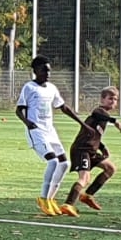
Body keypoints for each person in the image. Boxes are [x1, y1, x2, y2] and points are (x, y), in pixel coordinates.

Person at [15, 55, 84, 217]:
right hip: (37, 131)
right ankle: (43, 198)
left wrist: (81, 123)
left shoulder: (52, 88)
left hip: (50, 131)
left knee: (64, 163)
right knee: (53, 161)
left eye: (49, 70)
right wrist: (28, 123)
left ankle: (51, 199)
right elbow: (18, 110)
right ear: (35, 70)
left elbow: (63, 107)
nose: (48, 73)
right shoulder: (29, 87)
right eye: (44, 70)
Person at [61, 86, 121, 212]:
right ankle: (68, 205)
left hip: (91, 150)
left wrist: (102, 147)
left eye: (115, 99)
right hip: (82, 150)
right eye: (110, 98)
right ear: (102, 99)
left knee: (110, 168)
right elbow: (96, 113)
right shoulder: (99, 112)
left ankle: (87, 196)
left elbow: (93, 135)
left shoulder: (103, 117)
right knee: (85, 178)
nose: (113, 101)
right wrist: (114, 121)